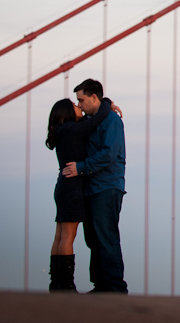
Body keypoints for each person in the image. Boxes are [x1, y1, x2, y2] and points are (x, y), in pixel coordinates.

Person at [62, 78, 128, 294]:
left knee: (106, 235)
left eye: (81, 99)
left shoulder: (111, 121)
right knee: (92, 237)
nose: (79, 104)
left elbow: (108, 154)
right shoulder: (91, 121)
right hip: (92, 187)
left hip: (107, 187)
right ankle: (101, 285)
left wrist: (81, 168)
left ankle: (114, 287)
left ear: (93, 97)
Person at [44, 95, 116, 291]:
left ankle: (56, 284)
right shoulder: (72, 130)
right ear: (67, 112)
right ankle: (66, 285)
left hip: (63, 186)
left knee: (59, 235)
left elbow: (88, 120)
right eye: (75, 105)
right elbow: (95, 120)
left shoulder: (62, 131)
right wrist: (106, 103)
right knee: (68, 236)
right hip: (73, 187)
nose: (79, 107)